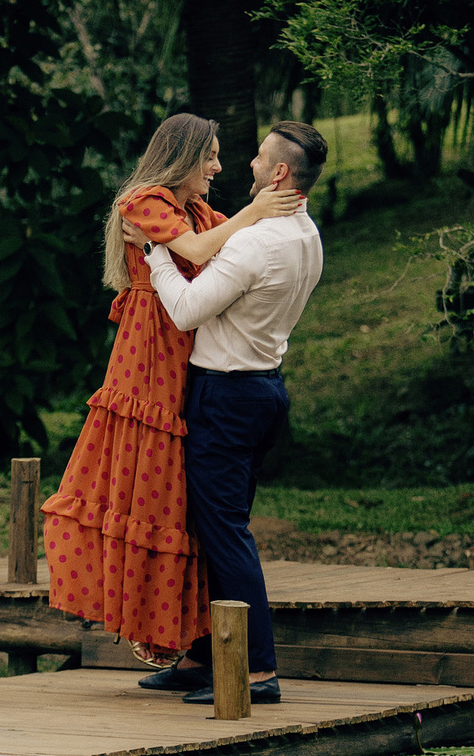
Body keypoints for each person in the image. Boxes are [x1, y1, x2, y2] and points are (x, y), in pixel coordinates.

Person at [41, 113, 302, 665]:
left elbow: (231, 247)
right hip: (152, 346)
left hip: (190, 348)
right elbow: (205, 252)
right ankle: (162, 632)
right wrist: (257, 209)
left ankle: (186, 644)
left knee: (183, 499)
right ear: (181, 156)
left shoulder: (199, 210)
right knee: (151, 481)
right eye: (208, 155)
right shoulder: (144, 200)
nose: (217, 167)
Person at [122, 121, 328, 704]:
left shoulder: (255, 241)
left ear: (281, 173)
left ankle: (257, 671)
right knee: (212, 529)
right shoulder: (305, 235)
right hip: (265, 389)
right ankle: (200, 657)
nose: (250, 164)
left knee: (226, 535)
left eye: (261, 157)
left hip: (227, 395)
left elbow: (186, 311)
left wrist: (156, 252)